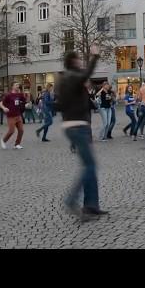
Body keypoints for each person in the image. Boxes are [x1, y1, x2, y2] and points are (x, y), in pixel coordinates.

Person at [57, 46, 108, 220]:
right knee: (90, 166)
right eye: (78, 59)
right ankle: (72, 200)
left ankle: (91, 205)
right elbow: (85, 75)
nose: (81, 62)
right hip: (77, 126)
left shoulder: (67, 80)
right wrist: (94, 56)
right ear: (73, 61)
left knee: (91, 167)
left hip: (78, 126)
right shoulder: (71, 77)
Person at [0, 82, 26, 150]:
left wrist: (24, 96)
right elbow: (0, 103)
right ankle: (3, 141)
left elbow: (25, 100)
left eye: (18, 85)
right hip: (11, 116)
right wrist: (4, 108)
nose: (18, 86)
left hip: (18, 115)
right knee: (11, 131)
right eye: (16, 85)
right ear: (12, 87)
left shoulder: (19, 94)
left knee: (21, 130)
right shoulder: (8, 95)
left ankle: (17, 144)